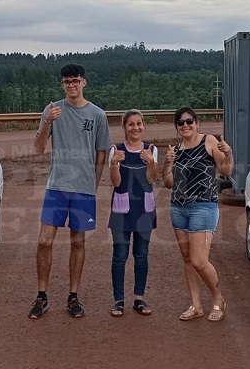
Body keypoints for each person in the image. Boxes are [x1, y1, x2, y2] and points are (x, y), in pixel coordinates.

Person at [29, 63, 112, 319]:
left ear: (83, 82)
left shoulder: (97, 115)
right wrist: (47, 122)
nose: (71, 85)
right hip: (56, 185)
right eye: (67, 82)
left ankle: (73, 296)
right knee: (44, 241)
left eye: (75, 80)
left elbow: (101, 154)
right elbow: (38, 148)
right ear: (62, 84)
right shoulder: (53, 110)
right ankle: (42, 295)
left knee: (78, 242)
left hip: (83, 189)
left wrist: (93, 186)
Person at [162, 107, 233, 322]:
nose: (185, 125)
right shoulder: (176, 150)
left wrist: (228, 154)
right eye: (181, 123)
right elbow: (168, 183)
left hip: (203, 206)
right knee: (187, 259)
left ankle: (218, 298)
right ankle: (196, 305)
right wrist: (167, 163)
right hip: (179, 208)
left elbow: (226, 170)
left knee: (199, 260)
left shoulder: (208, 141)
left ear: (197, 123)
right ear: (176, 127)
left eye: (189, 121)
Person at [107, 109, 159, 317]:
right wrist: (114, 163)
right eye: (131, 124)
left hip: (144, 210)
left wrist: (151, 162)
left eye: (139, 123)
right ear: (124, 127)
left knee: (141, 255)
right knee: (120, 255)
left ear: (143, 126)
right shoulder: (116, 150)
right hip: (121, 211)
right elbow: (116, 182)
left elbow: (152, 179)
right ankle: (118, 300)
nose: (136, 128)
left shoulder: (151, 150)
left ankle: (139, 297)